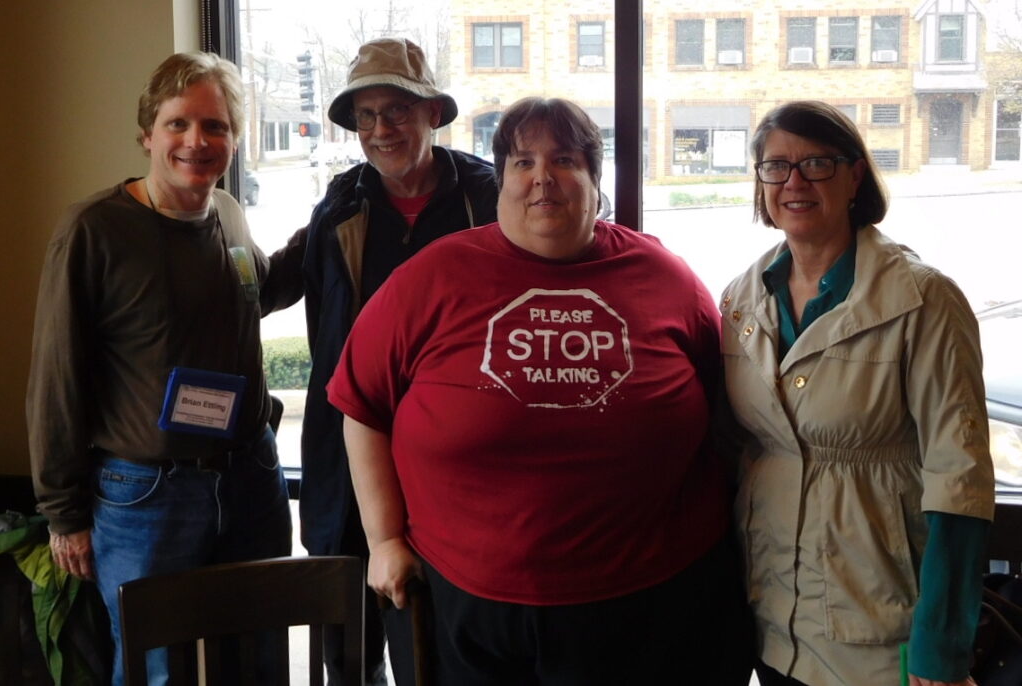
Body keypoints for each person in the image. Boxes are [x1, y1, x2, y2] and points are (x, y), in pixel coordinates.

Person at [327, 96, 753, 684]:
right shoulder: (429, 279)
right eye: (523, 162)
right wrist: (383, 539)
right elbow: (362, 407)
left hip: (651, 603)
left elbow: (725, 410)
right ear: (500, 179)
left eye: (565, 160)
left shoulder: (665, 277)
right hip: (468, 607)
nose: (542, 178)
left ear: (594, 180)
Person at [26, 52, 296, 686]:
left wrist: (330, 228)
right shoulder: (95, 231)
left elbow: (259, 289)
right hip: (148, 495)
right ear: (148, 133)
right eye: (179, 124)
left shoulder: (226, 212)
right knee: (160, 669)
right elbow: (55, 379)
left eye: (217, 126)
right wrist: (64, 513)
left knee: (259, 656)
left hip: (250, 476)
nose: (197, 142)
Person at [718, 100, 995, 686]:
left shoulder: (924, 300)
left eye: (816, 163)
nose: (794, 182)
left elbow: (960, 478)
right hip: (772, 619)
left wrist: (941, 648)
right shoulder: (742, 299)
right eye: (776, 166)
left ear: (854, 176)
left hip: (879, 627)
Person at [298, 37, 497, 685]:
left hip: (456, 458)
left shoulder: (486, 197)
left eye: (397, 111)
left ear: (433, 113)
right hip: (348, 458)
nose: (381, 129)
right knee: (348, 647)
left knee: (437, 643)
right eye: (365, 115)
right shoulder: (341, 206)